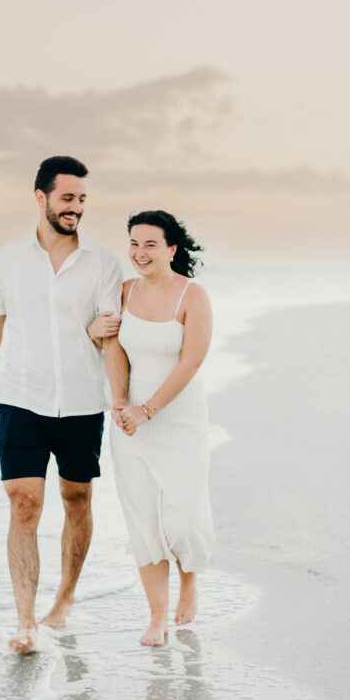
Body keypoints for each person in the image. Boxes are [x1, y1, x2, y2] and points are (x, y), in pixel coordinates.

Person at [0, 155, 123, 655]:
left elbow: (111, 336)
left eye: (82, 199)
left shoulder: (103, 262)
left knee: (77, 500)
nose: (76, 208)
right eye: (68, 198)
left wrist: (121, 402)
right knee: (24, 503)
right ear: (41, 198)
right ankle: (25, 620)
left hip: (81, 401)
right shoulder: (6, 260)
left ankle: (65, 598)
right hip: (21, 399)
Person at [89, 210, 215, 647]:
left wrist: (149, 409)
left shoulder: (192, 297)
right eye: (134, 244)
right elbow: (113, 348)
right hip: (129, 421)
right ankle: (157, 617)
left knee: (184, 521)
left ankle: (190, 580)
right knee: (142, 520)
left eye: (151, 245)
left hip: (177, 417)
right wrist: (122, 402)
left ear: (172, 249)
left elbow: (191, 362)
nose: (140, 253)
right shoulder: (124, 292)